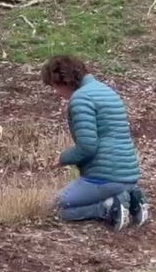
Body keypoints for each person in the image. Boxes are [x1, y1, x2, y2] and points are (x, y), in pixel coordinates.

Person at [41, 55, 148, 231]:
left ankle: (107, 208)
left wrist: (63, 158)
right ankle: (130, 196)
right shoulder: (106, 91)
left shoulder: (81, 99)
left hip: (104, 178)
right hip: (129, 174)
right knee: (103, 190)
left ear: (64, 81)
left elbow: (87, 146)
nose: (55, 92)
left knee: (54, 208)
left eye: (54, 86)